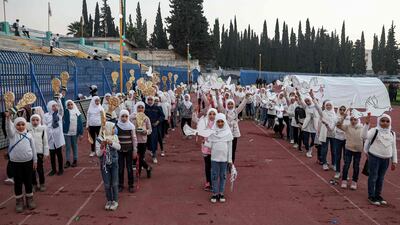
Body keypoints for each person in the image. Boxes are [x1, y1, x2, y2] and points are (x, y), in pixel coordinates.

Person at [362, 114, 397, 206]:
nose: (385, 123)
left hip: (386, 160)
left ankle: (378, 195)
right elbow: (364, 136)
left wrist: (394, 161)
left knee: (381, 178)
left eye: (387, 121)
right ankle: (371, 195)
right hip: (374, 157)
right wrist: (366, 124)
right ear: (379, 121)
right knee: (373, 177)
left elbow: (393, 147)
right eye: (383, 121)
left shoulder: (392, 133)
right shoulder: (374, 131)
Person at [5, 114, 37, 213]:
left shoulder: (29, 135)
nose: (21, 126)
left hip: (28, 162)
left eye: (23, 124)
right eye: (18, 124)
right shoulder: (12, 135)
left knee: (28, 181)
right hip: (15, 163)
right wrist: (8, 118)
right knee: (18, 183)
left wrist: (35, 160)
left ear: (25, 125)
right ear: (15, 126)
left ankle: (30, 199)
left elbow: (34, 149)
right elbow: (9, 129)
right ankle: (19, 201)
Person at [208, 113, 233, 203]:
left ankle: (221, 193)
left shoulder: (228, 132)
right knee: (214, 176)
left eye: (222, 121)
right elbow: (209, 145)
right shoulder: (212, 132)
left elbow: (230, 147)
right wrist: (204, 141)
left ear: (224, 122)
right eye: (218, 122)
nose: (220, 123)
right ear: (216, 122)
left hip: (224, 159)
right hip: (214, 158)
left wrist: (230, 160)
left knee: (223, 176)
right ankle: (214, 193)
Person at [95, 121, 120, 211]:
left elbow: (118, 147)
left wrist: (111, 143)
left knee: (114, 183)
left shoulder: (115, 137)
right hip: (104, 165)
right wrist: (102, 147)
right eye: (113, 128)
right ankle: (109, 200)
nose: (115, 130)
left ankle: (115, 201)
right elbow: (98, 154)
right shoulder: (99, 139)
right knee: (107, 184)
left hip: (114, 164)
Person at [337, 114, 363, 190]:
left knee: (356, 166)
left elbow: (366, 137)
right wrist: (343, 118)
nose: (353, 121)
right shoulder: (347, 126)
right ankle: (344, 180)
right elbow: (338, 125)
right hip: (348, 149)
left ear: (358, 120)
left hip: (358, 150)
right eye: (351, 119)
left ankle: (354, 181)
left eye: (355, 119)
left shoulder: (362, 127)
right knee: (346, 165)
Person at [115, 110, 137, 193]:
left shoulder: (131, 126)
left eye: (126, 116)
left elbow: (134, 138)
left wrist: (135, 149)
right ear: (120, 116)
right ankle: (120, 185)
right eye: (122, 116)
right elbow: (114, 137)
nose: (124, 118)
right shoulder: (116, 126)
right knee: (120, 168)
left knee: (129, 168)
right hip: (119, 150)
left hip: (129, 150)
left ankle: (131, 185)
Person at [130, 102, 152, 178]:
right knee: (135, 157)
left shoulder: (146, 118)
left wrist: (146, 131)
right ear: (136, 108)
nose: (140, 109)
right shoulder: (132, 117)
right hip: (134, 140)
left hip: (142, 140)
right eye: (139, 107)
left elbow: (150, 130)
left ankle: (138, 173)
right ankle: (148, 167)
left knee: (141, 157)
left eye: (142, 108)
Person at [314, 99, 337, 171]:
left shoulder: (334, 113)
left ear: (332, 106)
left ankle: (334, 164)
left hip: (333, 134)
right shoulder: (323, 113)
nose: (328, 106)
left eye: (330, 105)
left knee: (334, 150)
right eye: (327, 105)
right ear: (324, 106)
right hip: (325, 134)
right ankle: (324, 163)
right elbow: (317, 107)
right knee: (325, 149)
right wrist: (313, 98)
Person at [198, 108, 217, 191]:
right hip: (206, 147)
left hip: (215, 148)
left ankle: (214, 182)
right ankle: (208, 182)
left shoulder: (219, 123)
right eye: (210, 114)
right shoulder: (205, 123)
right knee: (207, 165)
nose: (212, 116)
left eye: (213, 114)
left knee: (214, 166)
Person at [44, 100, 65, 176]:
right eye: (53, 106)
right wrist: (49, 127)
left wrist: (59, 100)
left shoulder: (59, 114)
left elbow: (61, 109)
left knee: (59, 155)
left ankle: (61, 169)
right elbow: (45, 125)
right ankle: (53, 169)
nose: (55, 107)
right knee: (52, 156)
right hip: (50, 138)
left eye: (56, 106)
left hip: (57, 138)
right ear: (49, 107)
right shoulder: (46, 115)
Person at [28, 114, 49, 192]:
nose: (35, 122)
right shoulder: (28, 130)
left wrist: (45, 153)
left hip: (39, 153)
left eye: (37, 120)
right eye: (33, 120)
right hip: (30, 154)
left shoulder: (42, 130)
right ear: (31, 121)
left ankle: (42, 183)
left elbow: (45, 142)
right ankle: (34, 184)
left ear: (39, 121)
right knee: (32, 171)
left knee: (40, 170)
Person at [63, 99, 84, 168]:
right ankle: (68, 161)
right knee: (68, 147)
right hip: (67, 133)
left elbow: (80, 123)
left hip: (75, 133)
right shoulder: (65, 112)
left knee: (74, 146)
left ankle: (75, 159)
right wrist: (62, 97)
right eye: (68, 105)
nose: (70, 106)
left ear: (73, 104)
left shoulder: (77, 112)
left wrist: (81, 133)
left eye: (71, 104)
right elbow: (62, 105)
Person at [297, 91, 318, 158]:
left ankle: (310, 148)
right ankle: (308, 149)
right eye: (306, 101)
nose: (307, 102)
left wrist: (312, 96)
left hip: (313, 125)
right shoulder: (306, 107)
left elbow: (317, 104)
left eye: (308, 101)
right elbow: (301, 101)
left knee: (314, 139)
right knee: (305, 140)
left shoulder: (315, 106)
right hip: (306, 125)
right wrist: (299, 95)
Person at [144, 96, 164, 164]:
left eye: (151, 100)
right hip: (146, 127)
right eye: (148, 99)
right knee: (145, 141)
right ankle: (143, 157)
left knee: (153, 141)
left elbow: (162, 116)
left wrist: (158, 122)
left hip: (154, 127)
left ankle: (154, 156)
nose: (149, 101)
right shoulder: (144, 108)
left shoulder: (157, 108)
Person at [333, 105, 349, 179]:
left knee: (346, 157)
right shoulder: (336, 117)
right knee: (338, 156)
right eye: (341, 109)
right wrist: (343, 117)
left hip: (346, 139)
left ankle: (346, 173)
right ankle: (337, 171)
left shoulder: (349, 118)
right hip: (338, 139)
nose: (342, 111)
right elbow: (338, 124)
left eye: (344, 110)